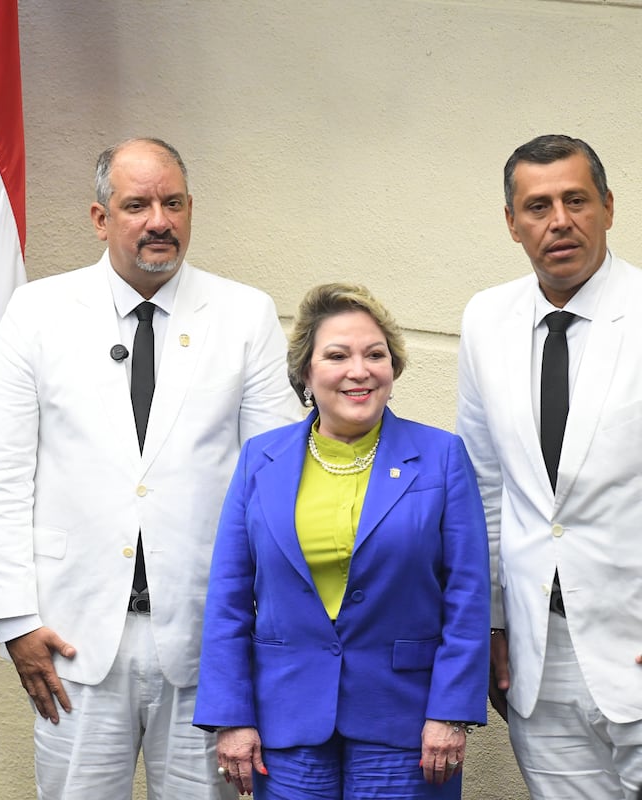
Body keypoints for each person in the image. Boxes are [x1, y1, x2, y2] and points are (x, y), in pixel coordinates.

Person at [0, 137, 300, 799]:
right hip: (69, 637)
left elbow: (279, 480)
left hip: (210, 638)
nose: (159, 220)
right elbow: (0, 478)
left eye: (173, 203)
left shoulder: (245, 315)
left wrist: (266, 627)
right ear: (101, 218)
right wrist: (15, 622)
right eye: (137, 204)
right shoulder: (37, 313)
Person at [195, 283, 490, 798]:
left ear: (393, 370)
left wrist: (451, 711)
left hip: (407, 724)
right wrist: (230, 717)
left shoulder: (442, 456)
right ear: (306, 373)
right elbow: (229, 598)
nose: (359, 370)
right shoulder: (260, 460)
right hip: (284, 724)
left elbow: (467, 596)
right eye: (337, 355)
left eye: (375, 355)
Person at [456, 134, 642, 798]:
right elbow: (483, 483)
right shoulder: (486, 320)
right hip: (540, 656)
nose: (558, 220)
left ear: (609, 208)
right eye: (537, 206)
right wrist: (494, 620)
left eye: (575, 200)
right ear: (512, 223)